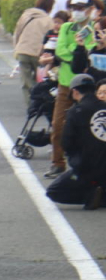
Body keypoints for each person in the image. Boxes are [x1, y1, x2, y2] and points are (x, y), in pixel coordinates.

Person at [50, 0, 99, 177]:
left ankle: (90, 163)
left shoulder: (95, 27)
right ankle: (57, 162)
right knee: (58, 124)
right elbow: (60, 50)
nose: (77, 11)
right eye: (73, 7)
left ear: (88, 8)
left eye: (80, 7)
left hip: (89, 86)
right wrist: (76, 51)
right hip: (67, 84)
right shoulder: (65, 27)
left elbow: (92, 49)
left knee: (92, 125)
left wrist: (78, 51)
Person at [47, 73, 106, 210]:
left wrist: (75, 162)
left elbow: (67, 142)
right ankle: (101, 192)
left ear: (74, 91)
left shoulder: (75, 111)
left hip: (86, 168)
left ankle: (93, 195)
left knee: (54, 191)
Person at [14, 0, 56, 107]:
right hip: (38, 53)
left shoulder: (26, 15)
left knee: (26, 81)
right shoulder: (48, 20)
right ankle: (40, 104)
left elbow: (17, 32)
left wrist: (17, 48)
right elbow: (51, 39)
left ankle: (31, 105)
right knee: (40, 80)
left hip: (22, 51)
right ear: (49, 7)